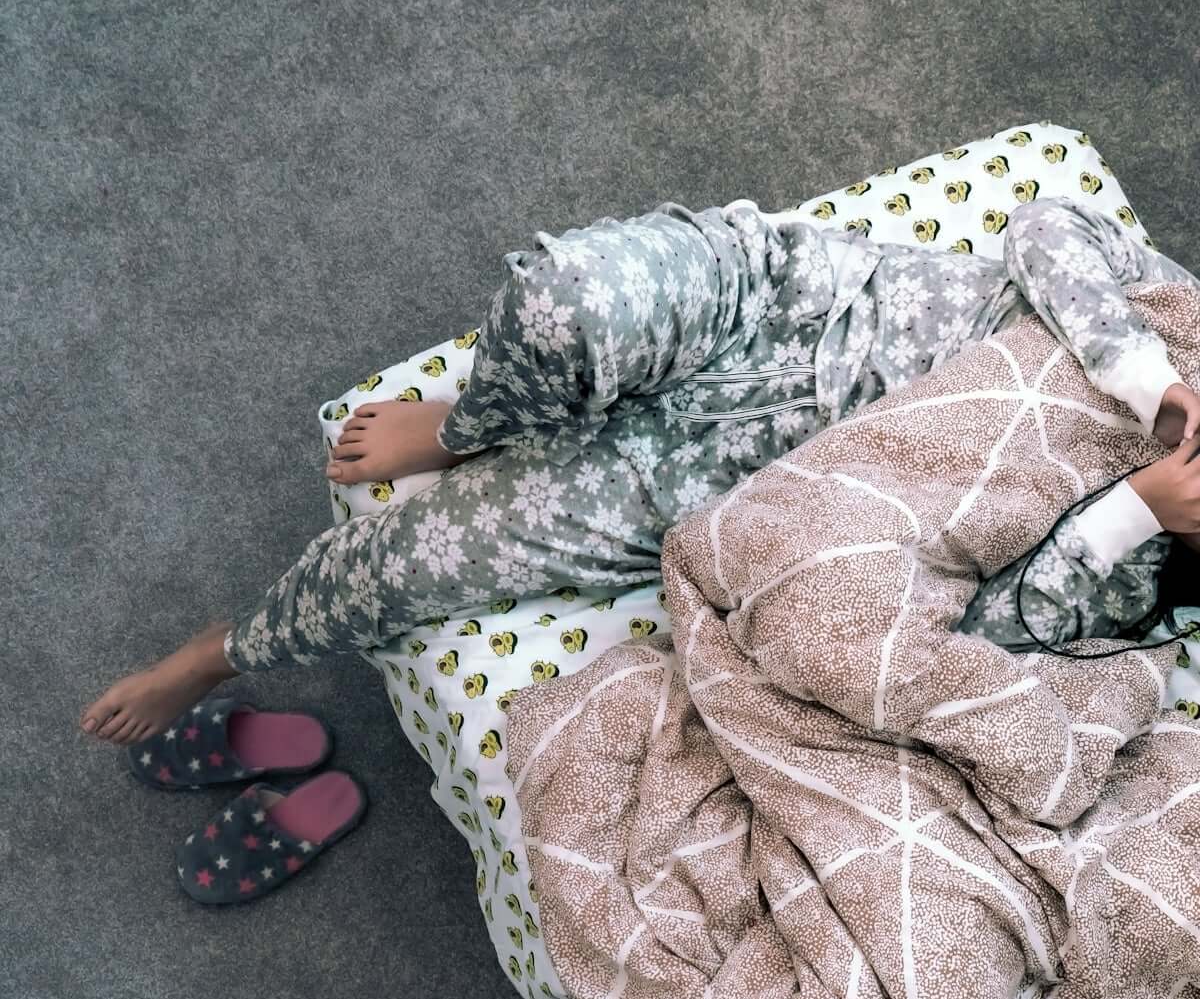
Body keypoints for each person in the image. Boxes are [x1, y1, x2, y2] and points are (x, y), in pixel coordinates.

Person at [81, 194, 1200, 746]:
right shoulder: (1177, 335)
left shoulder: (1146, 583)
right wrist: (1145, 379)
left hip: (735, 481)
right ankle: (482, 419)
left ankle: (218, 655)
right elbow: (1051, 228)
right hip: (785, 305)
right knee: (566, 301)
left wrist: (1135, 513)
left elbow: (992, 631)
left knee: (423, 561)